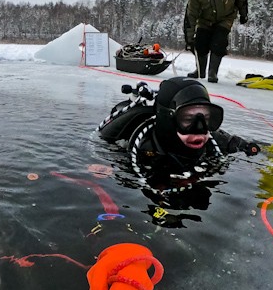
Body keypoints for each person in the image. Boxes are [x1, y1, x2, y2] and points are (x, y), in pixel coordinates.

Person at [98, 77, 260, 213]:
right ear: (168, 119)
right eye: (188, 119)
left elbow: (236, 145)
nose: (200, 128)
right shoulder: (142, 146)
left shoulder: (212, 140)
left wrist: (248, 149)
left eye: (206, 118)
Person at [183, 0, 248, 83]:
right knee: (200, 43)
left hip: (225, 18)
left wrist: (243, 13)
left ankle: (212, 72)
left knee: (219, 43)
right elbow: (190, 16)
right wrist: (189, 39)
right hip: (205, 20)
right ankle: (200, 70)